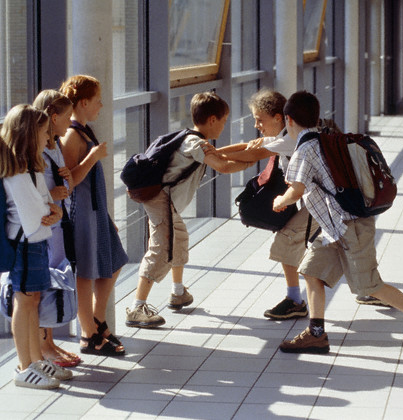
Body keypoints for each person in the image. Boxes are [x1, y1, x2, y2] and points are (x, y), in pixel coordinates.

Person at [273, 91, 403, 359]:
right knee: (311, 272)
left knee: (369, 286)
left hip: (349, 227)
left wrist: (279, 201)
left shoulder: (304, 150)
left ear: (288, 120)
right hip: (333, 228)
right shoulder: (324, 139)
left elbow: (295, 192)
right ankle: (316, 335)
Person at [125, 91, 253, 328]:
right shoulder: (196, 142)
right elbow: (222, 165)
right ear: (212, 120)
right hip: (159, 199)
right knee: (161, 247)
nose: (224, 126)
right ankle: (136, 307)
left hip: (164, 199)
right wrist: (252, 160)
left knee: (179, 238)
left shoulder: (192, 138)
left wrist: (254, 148)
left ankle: (178, 292)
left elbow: (221, 153)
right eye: (224, 121)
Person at [210, 88, 318, 320]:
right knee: (341, 246)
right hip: (321, 200)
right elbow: (248, 146)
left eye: (260, 120)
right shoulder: (286, 135)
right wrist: (214, 151)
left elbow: (252, 155)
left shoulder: (290, 140)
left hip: (320, 202)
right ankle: (369, 287)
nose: (257, 125)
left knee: (286, 240)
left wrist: (211, 158)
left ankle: (295, 301)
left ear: (278, 118)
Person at [0, 104, 71, 388]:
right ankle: (25, 366)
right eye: (42, 132)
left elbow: (45, 204)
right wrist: (51, 211)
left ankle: (35, 360)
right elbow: (35, 214)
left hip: (35, 241)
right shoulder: (15, 172)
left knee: (32, 300)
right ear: (27, 134)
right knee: (24, 302)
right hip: (25, 244)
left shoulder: (31, 167)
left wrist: (52, 210)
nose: (47, 138)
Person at [59, 75, 128, 356]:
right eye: (97, 99)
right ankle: (88, 333)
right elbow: (68, 183)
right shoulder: (72, 136)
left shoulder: (85, 131)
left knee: (115, 259)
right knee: (85, 273)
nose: (101, 105)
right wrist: (93, 157)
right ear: (84, 102)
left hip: (96, 210)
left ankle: (97, 318)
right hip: (82, 213)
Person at [33, 89, 82, 367]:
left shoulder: (54, 146)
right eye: (66, 118)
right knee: (46, 281)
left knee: (55, 279)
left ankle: (48, 341)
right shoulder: (37, 150)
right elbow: (35, 192)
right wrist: (55, 192)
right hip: (46, 226)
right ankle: (42, 345)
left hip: (58, 224)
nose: (69, 124)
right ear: (53, 117)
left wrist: (66, 181)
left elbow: (66, 189)